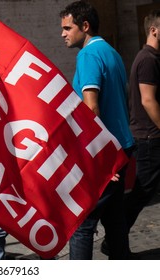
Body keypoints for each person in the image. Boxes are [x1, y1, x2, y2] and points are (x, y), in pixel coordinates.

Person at [60, 1, 134, 259]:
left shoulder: (88, 55)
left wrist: (101, 160)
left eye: (68, 28)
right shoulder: (111, 52)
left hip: (106, 153)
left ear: (85, 26)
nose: (63, 34)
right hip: (121, 146)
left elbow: (91, 108)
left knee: (83, 223)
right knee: (114, 219)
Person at [125, 9, 160, 241]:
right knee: (142, 192)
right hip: (150, 137)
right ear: (153, 30)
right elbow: (148, 100)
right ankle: (115, 237)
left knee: (144, 190)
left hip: (151, 136)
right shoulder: (148, 59)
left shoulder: (152, 58)